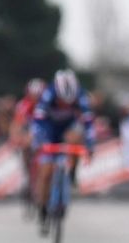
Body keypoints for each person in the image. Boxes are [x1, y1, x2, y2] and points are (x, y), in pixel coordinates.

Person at [30, 68, 95, 228]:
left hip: (68, 128)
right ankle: (42, 207)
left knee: (75, 138)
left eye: (69, 102)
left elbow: (88, 122)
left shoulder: (80, 95)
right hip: (50, 130)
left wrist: (90, 144)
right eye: (62, 101)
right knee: (46, 172)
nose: (65, 104)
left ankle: (72, 173)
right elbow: (37, 119)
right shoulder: (48, 94)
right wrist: (38, 140)